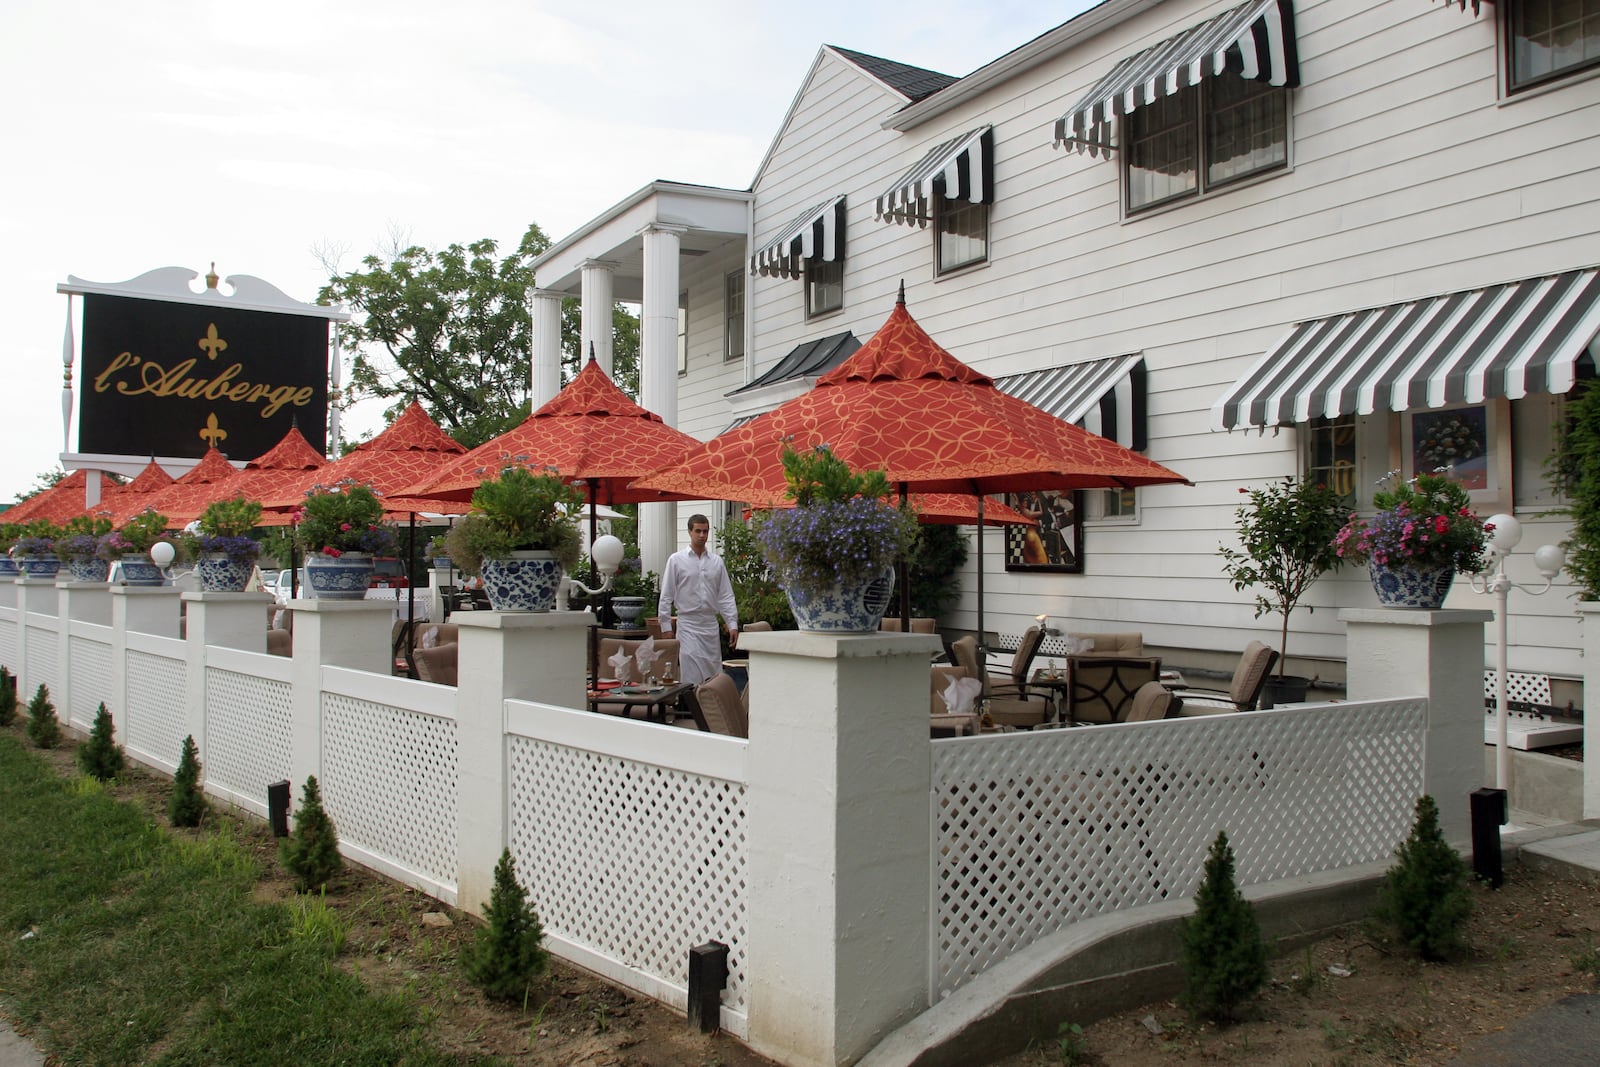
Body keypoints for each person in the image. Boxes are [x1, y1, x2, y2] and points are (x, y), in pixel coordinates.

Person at [656, 514, 739, 685]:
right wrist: (665, 625)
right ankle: (692, 709)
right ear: (690, 532)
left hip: (710, 625)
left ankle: (711, 709)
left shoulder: (717, 562)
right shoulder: (676, 561)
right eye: (698, 531)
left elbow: (725, 595)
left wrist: (732, 624)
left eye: (705, 531)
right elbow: (666, 595)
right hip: (688, 625)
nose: (702, 535)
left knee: (714, 673)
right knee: (691, 673)